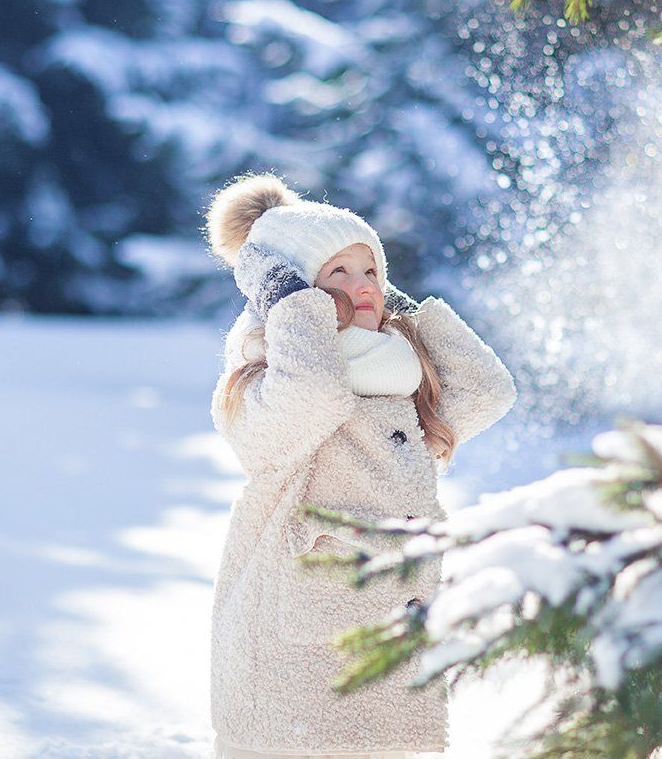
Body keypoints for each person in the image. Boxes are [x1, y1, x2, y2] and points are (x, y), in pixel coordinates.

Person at [203, 172, 518, 758]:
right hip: (297, 654)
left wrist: (401, 312)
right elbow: (316, 392)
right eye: (337, 273)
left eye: (371, 270)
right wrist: (293, 306)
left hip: (389, 642)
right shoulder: (259, 378)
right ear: (288, 293)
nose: (363, 285)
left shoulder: (401, 386)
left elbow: (488, 391)